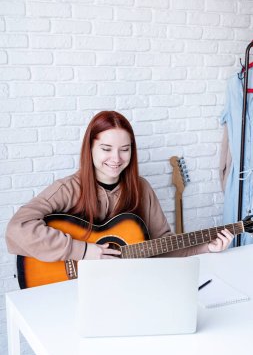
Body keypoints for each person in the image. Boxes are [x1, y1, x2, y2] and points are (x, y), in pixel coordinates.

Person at [6, 111, 234, 262]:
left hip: (128, 288)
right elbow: (18, 228)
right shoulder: (67, 189)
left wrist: (206, 248)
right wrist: (83, 251)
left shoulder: (141, 189)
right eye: (106, 149)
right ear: (90, 148)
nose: (116, 158)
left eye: (124, 149)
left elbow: (163, 247)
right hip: (74, 289)